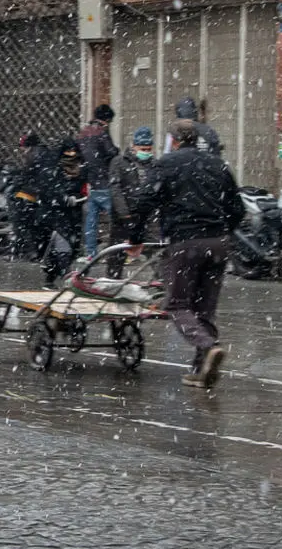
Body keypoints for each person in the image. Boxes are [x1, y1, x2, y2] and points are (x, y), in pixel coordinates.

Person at [148, 120, 243, 389]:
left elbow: (146, 199)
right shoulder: (217, 164)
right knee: (205, 307)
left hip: (184, 242)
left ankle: (208, 345)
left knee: (177, 304)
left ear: (174, 140)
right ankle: (201, 368)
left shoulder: (167, 164)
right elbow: (237, 208)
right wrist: (223, 232)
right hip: (217, 243)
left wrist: (134, 236)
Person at [105, 126, 157, 278]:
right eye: (143, 148)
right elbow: (115, 190)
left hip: (146, 217)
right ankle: (112, 282)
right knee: (116, 255)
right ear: (134, 146)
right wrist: (125, 214)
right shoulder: (119, 162)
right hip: (123, 218)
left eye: (148, 149)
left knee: (155, 253)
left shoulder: (154, 164)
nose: (146, 152)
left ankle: (163, 285)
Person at [37, 138, 86, 287]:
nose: (71, 157)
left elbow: (83, 190)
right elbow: (49, 190)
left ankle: (52, 278)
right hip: (57, 215)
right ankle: (66, 277)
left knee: (72, 246)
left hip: (74, 215)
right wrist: (63, 198)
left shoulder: (81, 171)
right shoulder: (54, 171)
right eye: (67, 153)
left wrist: (77, 198)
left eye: (73, 153)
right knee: (62, 245)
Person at [79, 104, 119, 258]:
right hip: (105, 181)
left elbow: (82, 157)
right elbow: (111, 152)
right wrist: (117, 151)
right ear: (106, 119)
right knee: (117, 217)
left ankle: (91, 252)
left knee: (91, 220)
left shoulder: (83, 133)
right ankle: (121, 251)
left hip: (91, 183)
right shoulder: (101, 132)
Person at [12, 131, 46, 260]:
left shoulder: (32, 155)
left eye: (23, 146)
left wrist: (18, 181)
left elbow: (27, 174)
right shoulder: (44, 152)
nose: (22, 150)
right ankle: (37, 251)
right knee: (35, 224)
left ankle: (27, 251)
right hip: (44, 193)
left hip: (33, 193)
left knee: (22, 222)